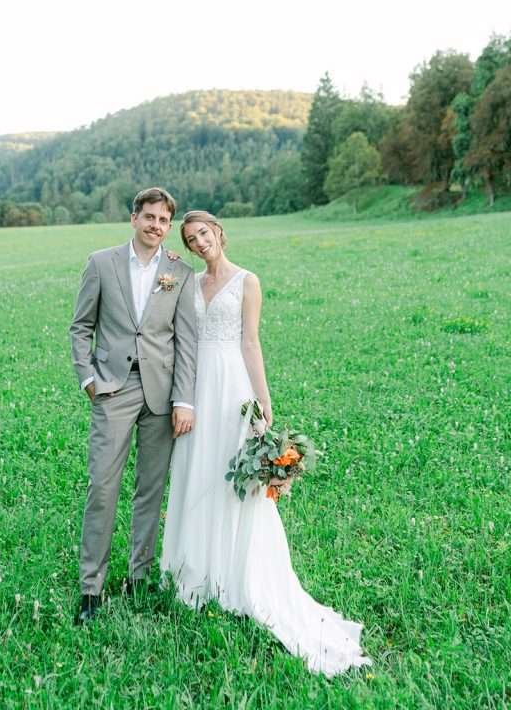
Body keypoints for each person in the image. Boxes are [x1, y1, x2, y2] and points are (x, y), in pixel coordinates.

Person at [160, 210, 371, 677]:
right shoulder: (190, 283)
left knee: (236, 481)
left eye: (204, 234)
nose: (199, 243)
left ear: (219, 232)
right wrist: (170, 260)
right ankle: (197, 572)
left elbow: (250, 343)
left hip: (233, 386)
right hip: (198, 391)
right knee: (199, 472)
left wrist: (263, 402)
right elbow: (181, 332)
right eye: (191, 240)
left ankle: (241, 578)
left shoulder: (247, 282)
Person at [70, 187, 197, 625]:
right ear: (133, 218)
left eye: (164, 221)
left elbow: (186, 340)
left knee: (150, 490)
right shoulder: (101, 263)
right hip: (113, 389)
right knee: (102, 487)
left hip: (162, 396)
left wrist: (184, 399)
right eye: (149, 217)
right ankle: (91, 588)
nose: (156, 226)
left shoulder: (180, 272)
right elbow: (80, 326)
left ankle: (139, 576)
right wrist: (88, 378)